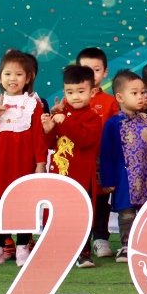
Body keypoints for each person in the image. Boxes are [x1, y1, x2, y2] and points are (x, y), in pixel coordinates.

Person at [0, 49, 47, 267]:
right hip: (0, 163)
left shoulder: (33, 104)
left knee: (24, 204)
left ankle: (23, 246)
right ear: (0, 78)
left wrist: (40, 164)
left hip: (23, 163)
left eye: (18, 74)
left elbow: (38, 137)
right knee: (0, 204)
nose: (12, 79)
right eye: (7, 74)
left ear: (28, 78)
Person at [42, 65, 103, 268]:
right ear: (64, 92)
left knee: (81, 215)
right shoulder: (60, 114)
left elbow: (84, 139)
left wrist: (64, 121)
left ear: (92, 92)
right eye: (70, 92)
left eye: (80, 91)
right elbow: (50, 145)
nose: (75, 96)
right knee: (55, 213)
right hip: (59, 176)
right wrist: (48, 129)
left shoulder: (93, 118)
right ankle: (54, 249)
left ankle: (83, 252)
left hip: (81, 179)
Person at [100, 70, 147, 263]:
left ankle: (145, 245)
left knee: (146, 211)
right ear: (120, 97)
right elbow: (107, 154)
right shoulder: (113, 124)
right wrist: (108, 180)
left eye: (142, 92)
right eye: (134, 93)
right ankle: (127, 246)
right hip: (123, 178)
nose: (140, 96)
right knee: (126, 212)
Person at [76, 47, 119, 260]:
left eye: (96, 69)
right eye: (86, 69)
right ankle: (79, 239)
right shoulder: (71, 99)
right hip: (79, 161)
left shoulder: (111, 101)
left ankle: (100, 237)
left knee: (102, 199)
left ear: (105, 72)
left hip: (102, 159)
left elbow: (117, 130)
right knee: (80, 199)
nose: (91, 75)